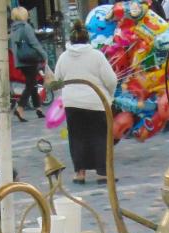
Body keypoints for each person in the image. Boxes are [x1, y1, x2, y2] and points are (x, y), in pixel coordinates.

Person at [53, 20, 118, 185]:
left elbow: (57, 80)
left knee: (77, 137)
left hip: (72, 102)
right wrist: (109, 95)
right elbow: (111, 80)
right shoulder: (97, 56)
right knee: (100, 136)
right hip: (96, 101)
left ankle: (79, 173)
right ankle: (102, 172)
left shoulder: (63, 57)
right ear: (88, 39)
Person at [9, 6, 47, 121]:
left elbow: (15, 45)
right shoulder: (26, 27)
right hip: (30, 59)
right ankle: (20, 108)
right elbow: (34, 43)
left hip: (20, 60)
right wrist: (44, 55)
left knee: (33, 82)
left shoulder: (14, 28)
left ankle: (38, 108)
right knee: (30, 84)